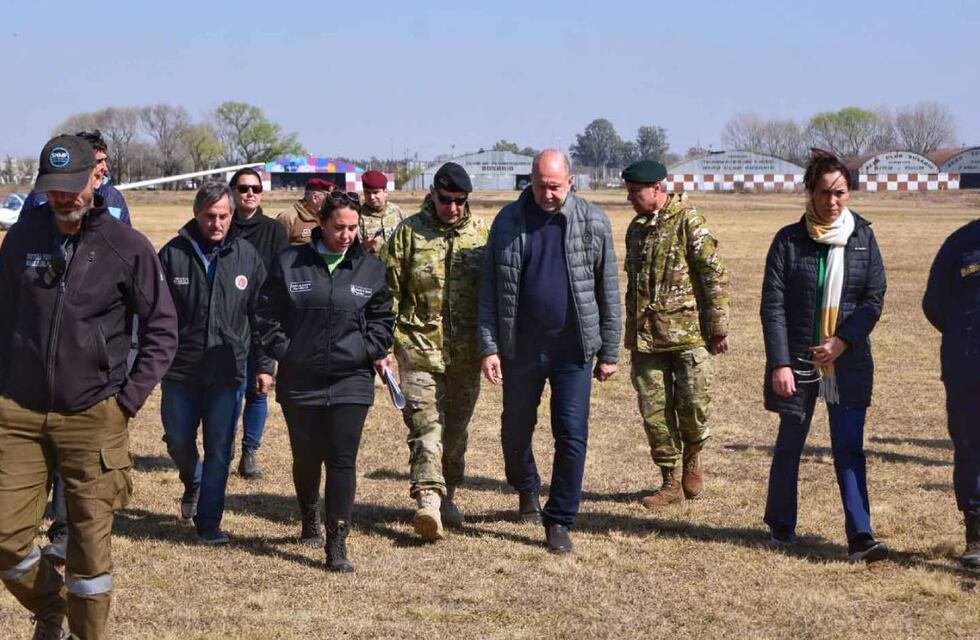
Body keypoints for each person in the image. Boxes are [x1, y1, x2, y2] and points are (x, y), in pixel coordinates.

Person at [0, 135, 177, 639]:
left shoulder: (127, 247)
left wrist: (127, 400)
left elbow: (163, 329)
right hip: (18, 411)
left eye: (73, 187)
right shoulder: (23, 237)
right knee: (6, 537)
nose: (63, 197)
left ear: (97, 179)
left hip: (94, 414)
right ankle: (49, 606)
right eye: (53, 188)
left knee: (89, 554)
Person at [479, 149, 621, 554]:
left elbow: (608, 290)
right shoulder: (508, 220)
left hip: (572, 351)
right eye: (540, 185)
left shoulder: (594, 221)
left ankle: (559, 519)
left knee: (572, 436)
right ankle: (526, 486)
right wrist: (489, 347)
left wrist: (609, 350)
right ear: (530, 180)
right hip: (519, 350)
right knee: (515, 432)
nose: (548, 193)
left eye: (555, 186)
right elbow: (491, 289)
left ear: (571, 181)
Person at [760, 149, 889, 563]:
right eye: (823, 193)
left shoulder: (863, 237)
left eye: (840, 193)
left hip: (847, 362)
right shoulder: (787, 240)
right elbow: (773, 305)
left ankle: (860, 534)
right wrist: (780, 362)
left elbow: (873, 299)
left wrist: (842, 342)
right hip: (797, 362)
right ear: (809, 192)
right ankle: (781, 525)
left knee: (849, 447)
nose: (832, 202)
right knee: (790, 445)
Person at [257, 191, 394, 571]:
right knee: (306, 456)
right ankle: (308, 515)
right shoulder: (289, 263)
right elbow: (267, 315)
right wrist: (288, 351)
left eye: (353, 228)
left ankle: (337, 542)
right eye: (339, 227)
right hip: (301, 379)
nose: (346, 235)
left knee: (342, 458)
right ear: (321, 223)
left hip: (352, 380)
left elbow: (383, 319)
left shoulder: (370, 269)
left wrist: (366, 349)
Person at [157, 181, 272, 545]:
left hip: (227, 371)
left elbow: (261, 316)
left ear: (232, 215)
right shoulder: (172, 254)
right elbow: (155, 315)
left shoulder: (247, 257)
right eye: (210, 216)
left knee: (220, 447)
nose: (217, 223)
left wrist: (265, 365)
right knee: (177, 439)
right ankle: (192, 480)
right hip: (180, 370)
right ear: (196, 214)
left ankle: (209, 521)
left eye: (224, 216)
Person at [379, 162, 488, 541]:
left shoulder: (480, 235)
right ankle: (427, 500)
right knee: (426, 428)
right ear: (432, 195)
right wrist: (384, 346)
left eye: (460, 201)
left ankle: (448, 494)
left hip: (466, 354)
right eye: (446, 200)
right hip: (417, 350)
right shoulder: (407, 234)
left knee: (456, 433)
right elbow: (387, 294)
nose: (453, 208)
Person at [621, 160, 730, 509]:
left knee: (694, 406)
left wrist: (717, 328)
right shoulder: (636, 229)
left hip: (688, 336)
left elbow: (713, 275)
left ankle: (693, 459)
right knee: (654, 412)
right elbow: (633, 287)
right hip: (647, 339)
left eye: (635, 192)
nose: (629, 199)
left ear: (657, 189)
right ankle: (669, 481)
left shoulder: (688, 220)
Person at [922, 217, 980, 567]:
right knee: (971, 446)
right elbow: (935, 304)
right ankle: (976, 533)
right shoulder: (961, 244)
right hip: (967, 362)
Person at [228, 168, 288, 479]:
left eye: (255, 188)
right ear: (233, 192)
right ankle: (223, 448)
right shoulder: (221, 225)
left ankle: (250, 452)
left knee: (259, 388)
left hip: (263, 319)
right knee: (229, 391)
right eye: (243, 188)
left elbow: (280, 277)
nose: (250, 193)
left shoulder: (274, 230)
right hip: (228, 319)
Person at [21, 130, 132, 226]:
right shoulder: (39, 198)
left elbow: (125, 242)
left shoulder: (114, 198)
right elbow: (23, 238)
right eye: (98, 161)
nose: (105, 168)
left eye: (105, 160)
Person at [276, 177, 336, 245]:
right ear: (315, 198)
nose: (331, 201)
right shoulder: (289, 217)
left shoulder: (328, 217)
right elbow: (276, 248)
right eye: (328, 197)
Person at [360, 170, 403, 254]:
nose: (371, 197)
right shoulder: (359, 216)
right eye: (367, 192)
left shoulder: (396, 211)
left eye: (376, 192)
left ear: (385, 192)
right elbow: (351, 251)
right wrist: (366, 246)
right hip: (372, 265)